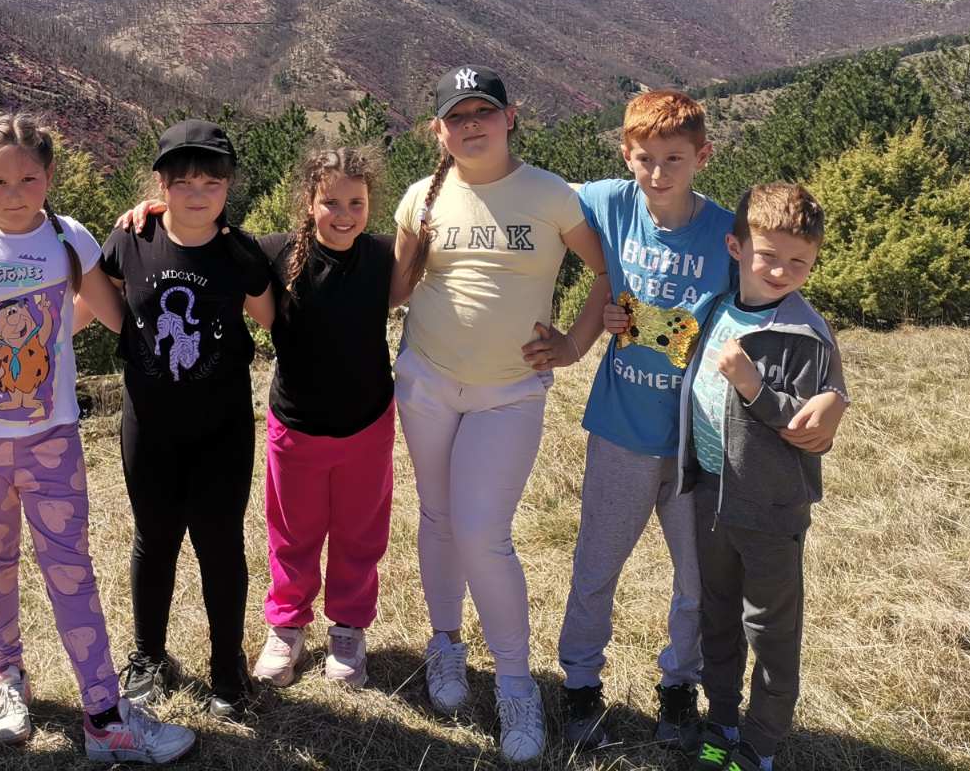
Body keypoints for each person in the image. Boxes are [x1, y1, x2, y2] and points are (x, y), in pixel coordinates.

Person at [559, 90, 847, 752]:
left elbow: (792, 313)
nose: (658, 173)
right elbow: (536, 192)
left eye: (674, 159)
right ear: (625, 155)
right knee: (595, 568)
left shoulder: (727, 233)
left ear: (703, 156)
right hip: (622, 431)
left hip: (701, 453)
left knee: (697, 585)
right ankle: (579, 683)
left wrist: (836, 394)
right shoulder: (612, 203)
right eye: (645, 158)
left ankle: (679, 687)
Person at [0, 113, 195, 764]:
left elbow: (113, 312)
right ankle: (7, 682)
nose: (14, 194)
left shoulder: (68, 239)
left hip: (52, 440)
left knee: (71, 571)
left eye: (28, 179)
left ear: (50, 175)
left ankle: (103, 715)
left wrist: (154, 228)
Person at [393, 65, 611, 764]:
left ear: (510, 117)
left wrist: (574, 345)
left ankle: (516, 681)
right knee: (437, 516)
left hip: (509, 392)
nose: (471, 126)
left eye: (483, 112)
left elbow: (605, 270)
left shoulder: (550, 195)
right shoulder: (421, 199)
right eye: (457, 117)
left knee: (483, 532)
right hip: (427, 382)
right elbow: (394, 288)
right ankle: (446, 643)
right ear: (438, 130)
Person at [99, 120, 276, 719]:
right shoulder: (132, 237)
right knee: (154, 538)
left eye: (212, 182)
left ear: (229, 186)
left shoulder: (239, 252)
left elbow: (273, 318)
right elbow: (99, 290)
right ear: (161, 185)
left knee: (220, 543)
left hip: (222, 425)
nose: (198, 193)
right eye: (184, 182)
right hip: (149, 422)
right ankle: (149, 656)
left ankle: (227, 667)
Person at [678, 184, 848, 771]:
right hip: (710, 493)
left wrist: (753, 387)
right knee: (717, 617)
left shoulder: (804, 332)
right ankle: (721, 722)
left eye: (799, 261)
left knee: (770, 630)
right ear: (736, 247)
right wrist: (623, 320)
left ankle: (761, 744)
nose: (782, 271)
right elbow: (677, 352)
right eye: (768, 255)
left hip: (770, 509)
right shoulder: (714, 309)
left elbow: (805, 426)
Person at [250, 146, 403, 691]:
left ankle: (349, 628)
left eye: (356, 203)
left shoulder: (383, 256)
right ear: (308, 202)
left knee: (360, 532)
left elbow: (439, 242)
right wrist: (151, 211)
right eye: (331, 202)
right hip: (296, 427)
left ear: (370, 204)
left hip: (367, 423)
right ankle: (287, 626)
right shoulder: (273, 253)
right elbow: (207, 237)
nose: (344, 214)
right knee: (293, 532)